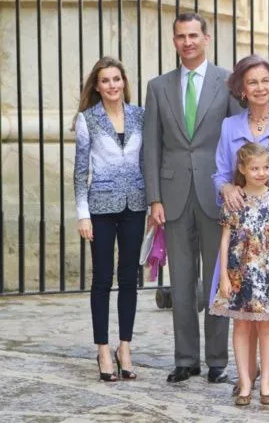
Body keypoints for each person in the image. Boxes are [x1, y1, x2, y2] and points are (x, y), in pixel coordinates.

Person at [143, 12, 241, 384]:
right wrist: (155, 198)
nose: (188, 42)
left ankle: (217, 360)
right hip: (173, 196)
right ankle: (185, 358)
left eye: (193, 35)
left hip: (217, 196)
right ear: (174, 41)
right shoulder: (158, 87)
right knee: (181, 281)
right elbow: (151, 147)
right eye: (181, 36)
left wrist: (235, 186)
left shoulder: (227, 82)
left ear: (207, 38)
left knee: (217, 280)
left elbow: (237, 141)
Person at [211, 54, 269, 396]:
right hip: (241, 231)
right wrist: (225, 187)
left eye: (265, 81)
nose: (260, 87)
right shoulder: (229, 127)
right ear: (241, 88)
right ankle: (246, 374)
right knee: (242, 304)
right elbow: (221, 173)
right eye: (252, 82)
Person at [73, 56, 147, 382]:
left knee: (129, 279)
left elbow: (148, 160)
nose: (112, 85)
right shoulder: (87, 120)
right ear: (97, 86)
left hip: (135, 205)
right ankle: (103, 348)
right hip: (100, 208)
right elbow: (79, 173)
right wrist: (82, 215)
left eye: (117, 79)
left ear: (124, 82)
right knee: (103, 279)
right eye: (106, 81)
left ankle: (125, 347)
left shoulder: (140, 116)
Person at [210, 143, 269, 406]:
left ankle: (266, 382)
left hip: (266, 274)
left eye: (265, 167)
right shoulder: (234, 200)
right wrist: (223, 276)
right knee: (241, 325)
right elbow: (224, 240)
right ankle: (245, 381)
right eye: (254, 168)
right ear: (242, 169)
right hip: (238, 273)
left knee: (267, 327)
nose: (260, 173)